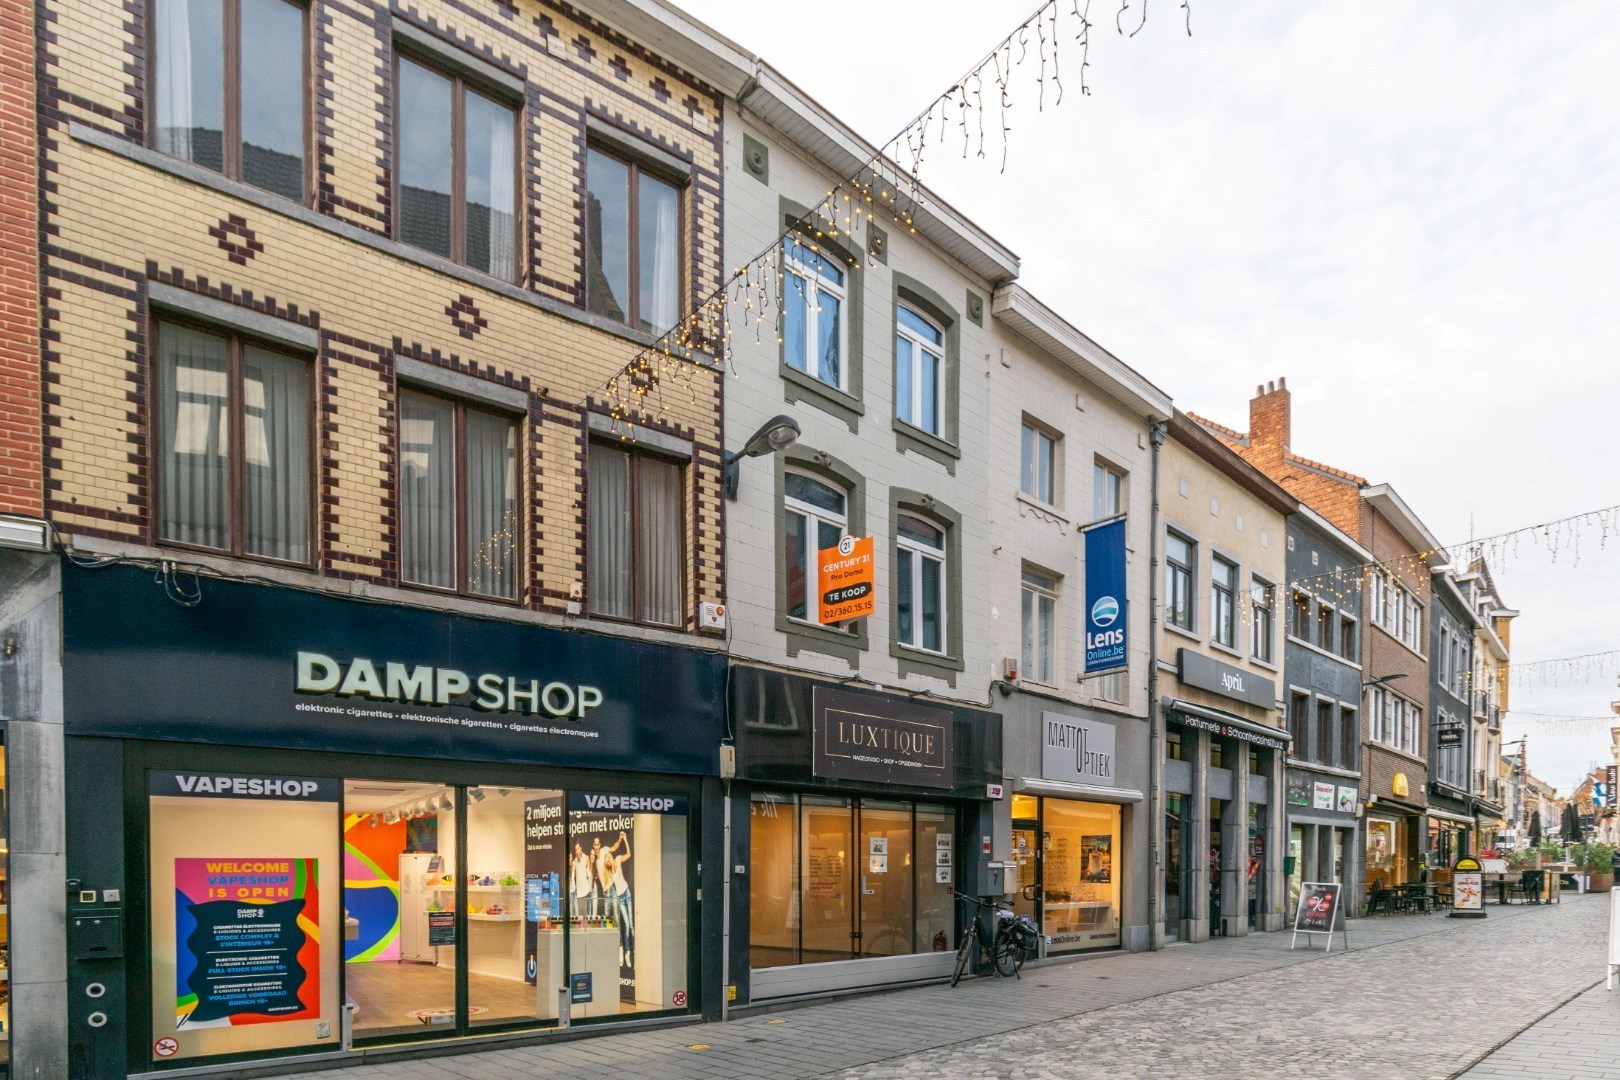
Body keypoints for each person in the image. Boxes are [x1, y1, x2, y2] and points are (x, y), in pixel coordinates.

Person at [601, 831, 635, 968]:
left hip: (627, 893)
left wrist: (625, 839)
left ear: (611, 856)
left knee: (631, 924)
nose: (608, 859)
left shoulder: (618, 860)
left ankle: (632, 951)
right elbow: (606, 886)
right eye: (606, 859)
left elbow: (629, 854)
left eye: (608, 857)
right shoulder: (608, 873)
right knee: (626, 924)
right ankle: (627, 952)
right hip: (620, 898)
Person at [570, 842, 596, 918]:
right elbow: (572, 877)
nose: (577, 851)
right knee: (581, 918)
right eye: (576, 850)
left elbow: (589, 874)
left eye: (578, 849)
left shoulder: (586, 857)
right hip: (579, 894)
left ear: (581, 849)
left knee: (588, 917)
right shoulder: (574, 862)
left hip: (587, 892)